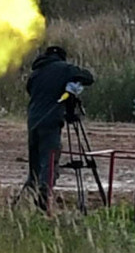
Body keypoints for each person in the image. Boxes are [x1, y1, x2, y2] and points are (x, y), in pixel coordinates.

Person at [25, 45, 94, 210]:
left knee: (36, 163)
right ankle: (44, 196)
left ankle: (31, 193)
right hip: (51, 121)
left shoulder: (35, 74)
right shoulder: (64, 69)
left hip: (33, 122)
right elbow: (88, 77)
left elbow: (30, 91)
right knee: (49, 159)